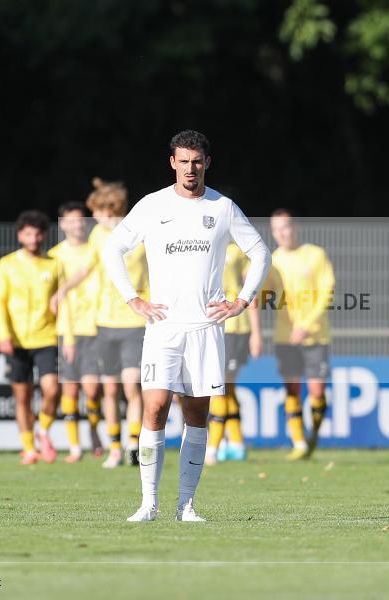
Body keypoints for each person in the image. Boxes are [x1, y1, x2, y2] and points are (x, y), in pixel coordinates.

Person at [102, 130, 271, 522]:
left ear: (207, 163)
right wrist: (133, 298)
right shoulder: (151, 205)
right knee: (155, 409)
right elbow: (113, 249)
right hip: (163, 326)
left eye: (197, 161)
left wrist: (241, 301)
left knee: (197, 416)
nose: (190, 168)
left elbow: (260, 252)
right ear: (172, 163)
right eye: (183, 160)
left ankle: (186, 505)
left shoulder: (224, 207)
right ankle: (148, 504)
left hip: (205, 328)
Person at [0, 210, 62, 465]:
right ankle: (29, 448)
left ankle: (43, 431)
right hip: (17, 340)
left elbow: (64, 298)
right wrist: (3, 334)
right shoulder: (7, 264)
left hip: (47, 337)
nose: (33, 238)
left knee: (52, 389)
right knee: (23, 396)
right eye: (28, 233)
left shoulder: (53, 264)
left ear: (43, 235)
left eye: (38, 233)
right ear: (21, 235)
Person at [88, 180, 149, 468]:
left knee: (131, 387)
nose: (94, 217)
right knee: (109, 389)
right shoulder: (97, 236)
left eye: (97, 210)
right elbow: (86, 269)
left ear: (110, 208)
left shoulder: (139, 235)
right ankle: (114, 447)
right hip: (103, 322)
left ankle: (133, 445)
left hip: (134, 322)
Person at [268, 209, 335, 460]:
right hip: (285, 337)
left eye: (285, 227)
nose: (282, 233)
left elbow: (327, 293)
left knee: (317, 392)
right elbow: (263, 291)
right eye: (276, 229)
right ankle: (299, 443)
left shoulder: (315, 255)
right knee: (292, 391)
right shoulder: (272, 260)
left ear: (296, 227)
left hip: (315, 335)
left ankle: (313, 435)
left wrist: (306, 324)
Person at [48, 200, 103, 463]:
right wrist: (67, 337)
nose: (77, 224)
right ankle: (74, 447)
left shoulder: (95, 249)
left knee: (92, 390)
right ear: (62, 224)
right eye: (71, 220)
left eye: (81, 219)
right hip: (68, 331)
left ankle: (94, 429)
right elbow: (59, 302)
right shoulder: (56, 255)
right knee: (70, 391)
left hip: (94, 328)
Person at [205, 242, 263, 465]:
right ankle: (237, 444)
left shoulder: (238, 251)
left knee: (219, 386)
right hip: (211, 325)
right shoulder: (202, 245)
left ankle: (213, 448)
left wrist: (256, 333)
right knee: (226, 387)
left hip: (234, 327)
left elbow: (252, 293)